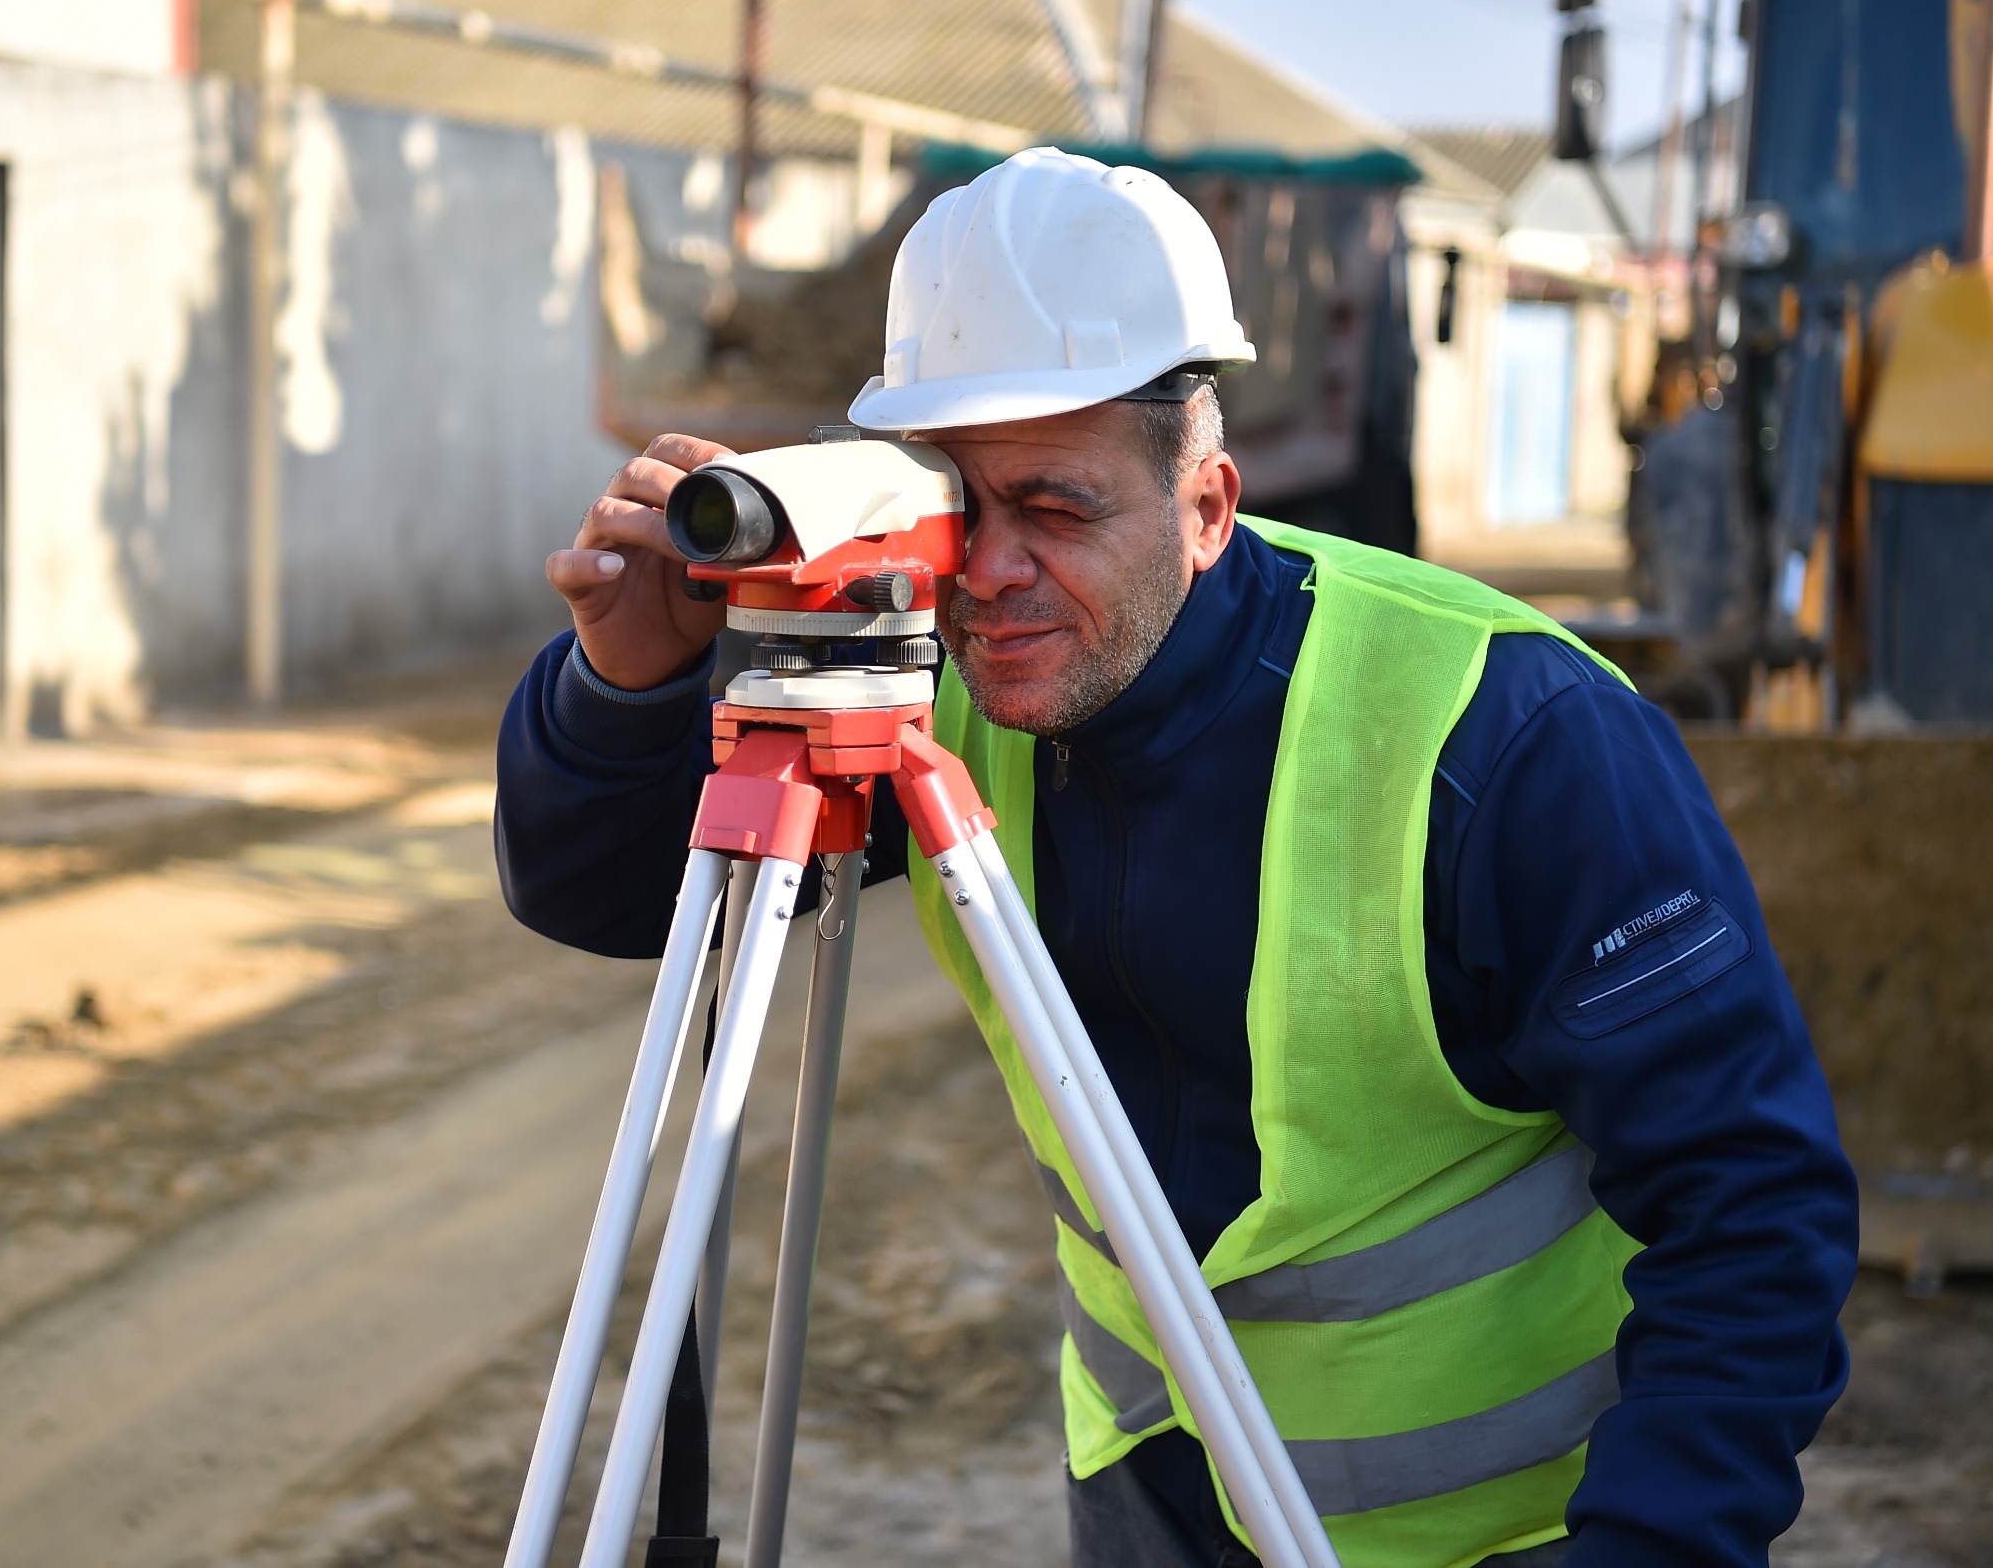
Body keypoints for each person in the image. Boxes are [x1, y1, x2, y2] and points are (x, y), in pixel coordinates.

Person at [496, 148, 1857, 1568]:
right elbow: (592, 887)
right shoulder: (938, 678)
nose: (993, 573)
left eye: (1059, 509)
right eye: (963, 509)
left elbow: (1752, 1211)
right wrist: (626, 686)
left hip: (1503, 1533)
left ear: (1208, 506)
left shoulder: (1509, 735)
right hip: (1154, 1493)